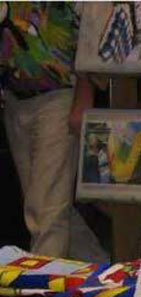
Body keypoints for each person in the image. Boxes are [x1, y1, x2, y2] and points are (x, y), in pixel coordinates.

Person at [0, 2, 107, 261]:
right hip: (15, 99)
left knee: (46, 211)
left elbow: (92, 25)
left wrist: (84, 95)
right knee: (50, 205)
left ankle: (43, 283)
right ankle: (99, 268)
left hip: (59, 95)